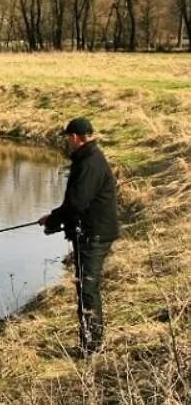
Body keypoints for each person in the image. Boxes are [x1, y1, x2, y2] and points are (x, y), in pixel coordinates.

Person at [38, 117, 119, 355]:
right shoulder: (89, 158)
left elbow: (77, 202)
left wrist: (54, 219)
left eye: (68, 138)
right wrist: (54, 218)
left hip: (94, 235)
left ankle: (92, 347)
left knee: (87, 289)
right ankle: (92, 343)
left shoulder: (89, 162)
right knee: (87, 287)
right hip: (93, 232)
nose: (67, 142)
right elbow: (76, 203)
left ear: (75, 137)